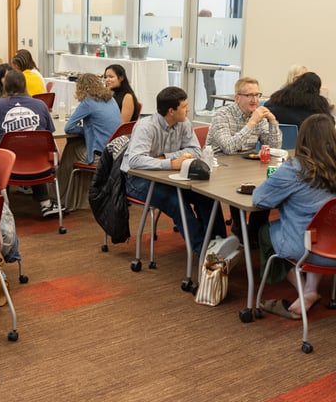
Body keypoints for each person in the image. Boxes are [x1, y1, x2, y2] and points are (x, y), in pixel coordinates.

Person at [121, 86, 226, 254]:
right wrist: (170, 163)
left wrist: (165, 157)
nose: (188, 109)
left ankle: (219, 242)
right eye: (184, 106)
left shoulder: (183, 123)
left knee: (207, 195)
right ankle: (203, 250)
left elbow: (195, 151)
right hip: (138, 180)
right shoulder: (146, 127)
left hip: (172, 176)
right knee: (175, 202)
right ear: (171, 111)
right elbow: (135, 160)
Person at [253, 114, 336, 319]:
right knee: (321, 226)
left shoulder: (294, 170)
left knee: (265, 232)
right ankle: (311, 288)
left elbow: (260, 200)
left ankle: (305, 290)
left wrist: (285, 197)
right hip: (331, 244)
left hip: (308, 248)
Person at [205, 76, 282, 244]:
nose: (254, 99)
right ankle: (239, 226)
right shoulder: (222, 115)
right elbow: (228, 148)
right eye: (249, 95)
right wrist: (252, 123)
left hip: (246, 166)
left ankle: (255, 230)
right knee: (240, 184)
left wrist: (273, 122)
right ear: (237, 97)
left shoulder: (259, 116)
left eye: (257, 94)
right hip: (220, 168)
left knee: (267, 185)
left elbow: (274, 147)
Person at [0, 70, 60, 217]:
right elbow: (49, 132)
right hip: (39, 164)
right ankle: (46, 204)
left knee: (9, 151)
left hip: (10, 166)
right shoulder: (40, 105)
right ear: (24, 85)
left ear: (5, 85)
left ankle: (3, 206)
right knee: (32, 149)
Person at [58, 73, 122, 209]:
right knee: (75, 145)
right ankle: (78, 198)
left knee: (71, 149)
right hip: (115, 153)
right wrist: (90, 130)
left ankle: (62, 197)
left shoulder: (88, 102)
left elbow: (68, 128)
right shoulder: (111, 99)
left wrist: (86, 131)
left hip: (100, 156)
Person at [264, 72, 333, 127]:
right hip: (306, 143)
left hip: (277, 141)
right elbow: (330, 123)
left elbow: (266, 107)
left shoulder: (279, 97)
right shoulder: (318, 105)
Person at [196, 9, 217, 116]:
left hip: (208, 59)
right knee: (209, 82)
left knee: (208, 82)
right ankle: (210, 106)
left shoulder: (208, 29)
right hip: (210, 58)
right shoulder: (211, 28)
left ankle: (210, 107)